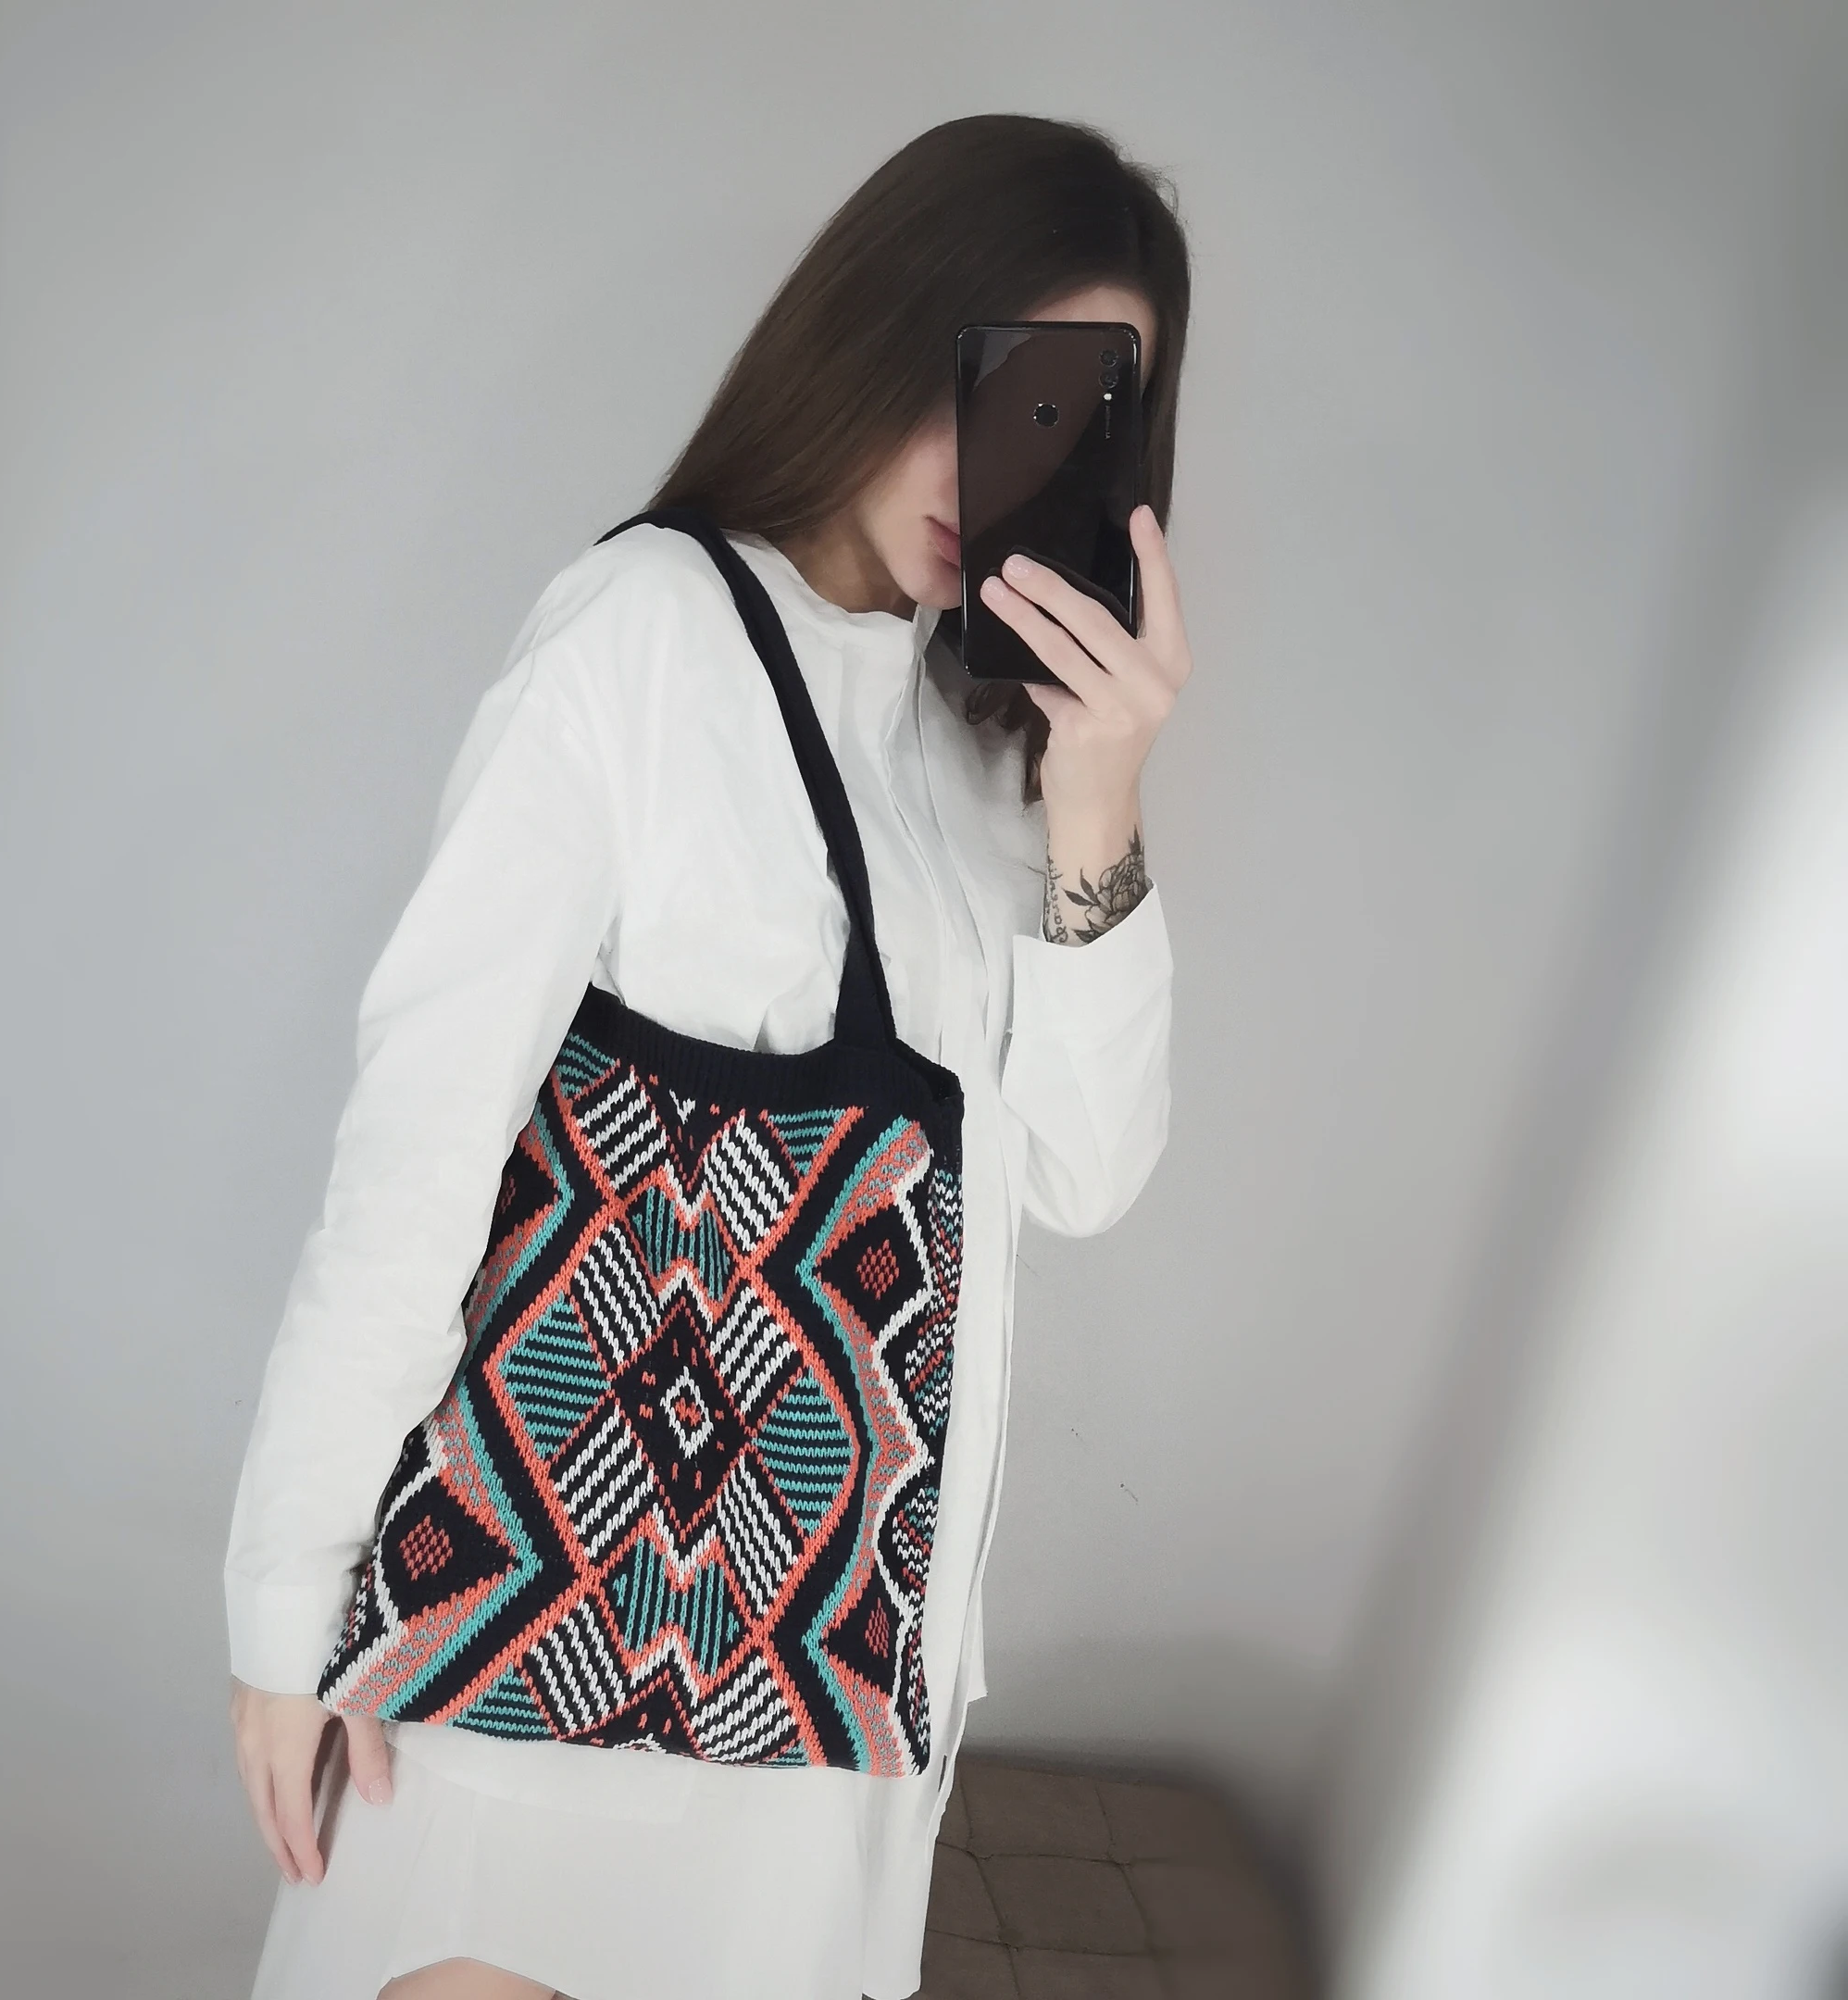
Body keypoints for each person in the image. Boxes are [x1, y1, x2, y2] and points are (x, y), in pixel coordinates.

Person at [224, 111, 1192, 2000]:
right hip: (544, 1684)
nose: (991, 458)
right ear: (877, 324)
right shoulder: (641, 638)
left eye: (1066, 415)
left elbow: (1084, 1173)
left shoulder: (988, 760)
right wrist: (286, 1610)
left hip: (837, 1726)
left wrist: (1101, 797)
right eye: (984, 375)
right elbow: (420, 1152)